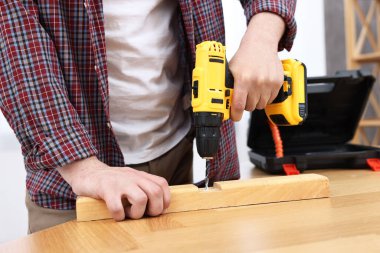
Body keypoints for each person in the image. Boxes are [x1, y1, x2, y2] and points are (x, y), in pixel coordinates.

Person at [0, 0, 296, 233]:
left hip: (178, 153)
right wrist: (85, 170)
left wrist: (263, 35)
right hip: (75, 183)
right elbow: (12, 37)